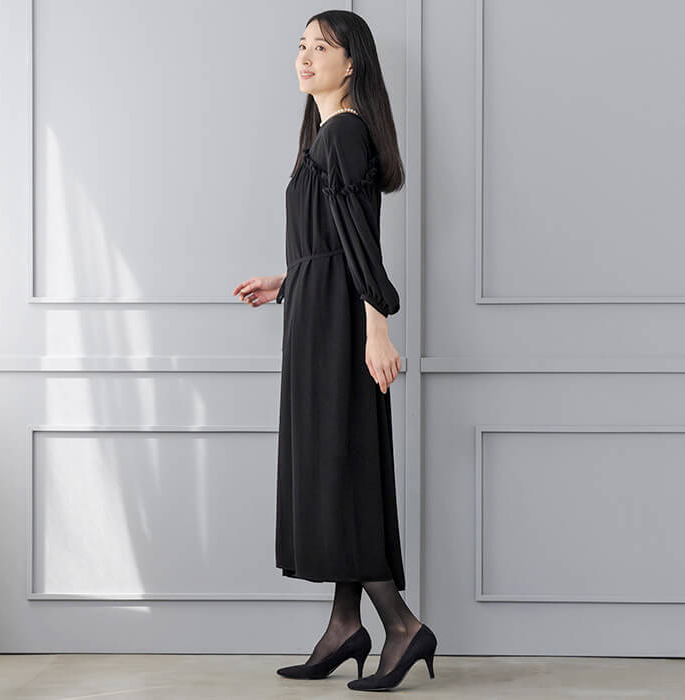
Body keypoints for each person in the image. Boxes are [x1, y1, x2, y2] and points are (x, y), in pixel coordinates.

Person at [232, 9, 437, 692]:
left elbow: (362, 246)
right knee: (336, 467)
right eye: (301, 45)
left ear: (352, 64)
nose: (305, 56)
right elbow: (331, 241)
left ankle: (401, 626)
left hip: (341, 326)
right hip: (318, 313)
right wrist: (287, 279)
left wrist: (378, 331)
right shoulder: (326, 137)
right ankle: (346, 626)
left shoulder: (344, 132)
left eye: (321, 47)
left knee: (340, 473)